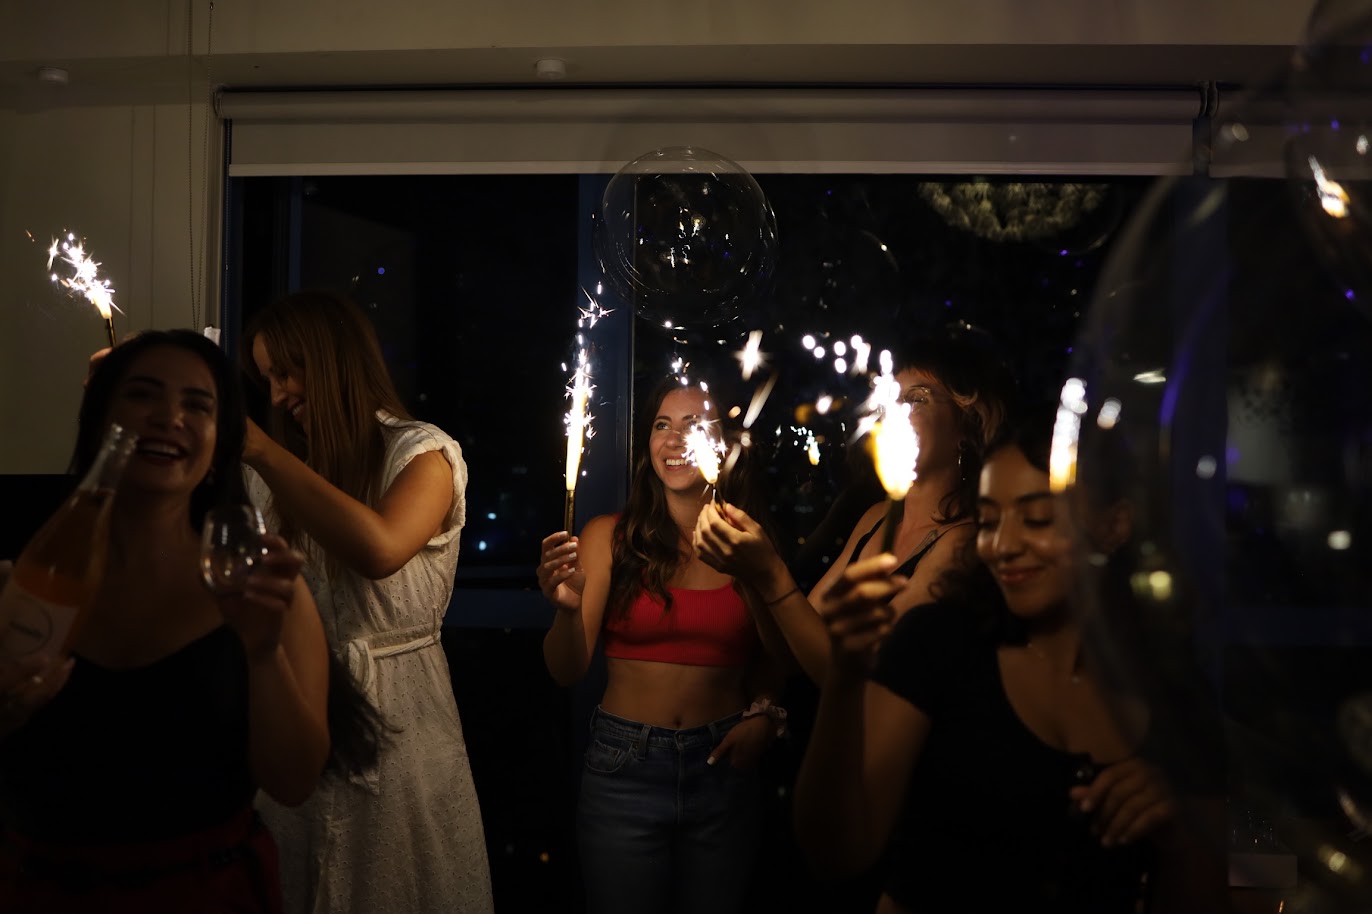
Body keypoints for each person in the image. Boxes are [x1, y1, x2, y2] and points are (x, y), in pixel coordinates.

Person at [792, 415, 1227, 912]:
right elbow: (837, 853)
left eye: (1037, 518)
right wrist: (845, 680)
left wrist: (1179, 829)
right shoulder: (937, 644)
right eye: (989, 522)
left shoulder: (1173, 692)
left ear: (1115, 525)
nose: (1003, 546)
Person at [0, 329, 331, 913]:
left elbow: (294, 783)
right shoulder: (28, 577)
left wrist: (262, 653)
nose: (169, 417)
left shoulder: (257, 589)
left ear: (218, 446)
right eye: (141, 394)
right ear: (99, 421)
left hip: (210, 891)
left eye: (197, 405)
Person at [241, 291, 493, 914]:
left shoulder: (422, 453)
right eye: (266, 379)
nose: (277, 395)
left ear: (331, 360)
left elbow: (381, 549)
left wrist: (263, 451)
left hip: (404, 716)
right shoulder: (270, 475)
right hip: (303, 702)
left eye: (286, 372)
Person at [537, 377, 792, 914]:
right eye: (661, 425)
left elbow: (779, 654)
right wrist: (566, 611)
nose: (674, 440)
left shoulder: (750, 541)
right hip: (623, 770)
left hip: (724, 766)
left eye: (693, 425)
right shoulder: (609, 537)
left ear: (724, 443)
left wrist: (765, 713)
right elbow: (566, 671)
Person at [695, 335, 1012, 683]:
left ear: (967, 424)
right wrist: (749, 576)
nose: (896, 413)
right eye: (892, 399)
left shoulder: (961, 544)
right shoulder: (876, 517)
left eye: (917, 399)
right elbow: (793, 652)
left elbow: (850, 678)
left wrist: (770, 574)